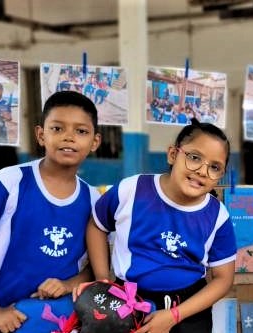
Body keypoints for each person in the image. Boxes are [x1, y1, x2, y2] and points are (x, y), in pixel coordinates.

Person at [0, 91, 102, 333]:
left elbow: (95, 268)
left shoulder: (94, 199)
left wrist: (67, 285)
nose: (68, 137)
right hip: (3, 321)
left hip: (61, 321)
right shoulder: (9, 182)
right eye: (57, 128)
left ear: (95, 142)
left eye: (81, 131)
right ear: (40, 135)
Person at [87, 118, 236, 333]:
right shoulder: (132, 190)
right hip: (128, 303)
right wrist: (103, 281)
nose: (203, 171)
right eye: (194, 157)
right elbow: (96, 225)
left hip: (189, 311)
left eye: (214, 167)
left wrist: (175, 315)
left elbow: (223, 279)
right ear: (173, 155)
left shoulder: (217, 215)